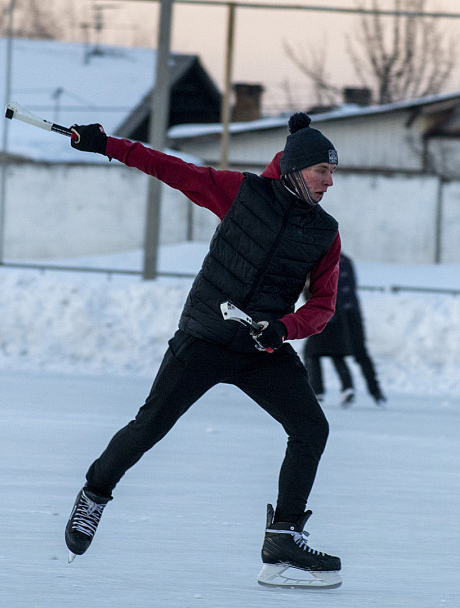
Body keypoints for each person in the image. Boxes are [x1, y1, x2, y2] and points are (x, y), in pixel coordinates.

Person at [63, 112, 343, 589]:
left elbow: (323, 305)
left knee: (310, 427)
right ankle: (94, 493)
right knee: (150, 425)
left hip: (261, 347)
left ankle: (283, 537)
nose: (330, 183)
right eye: (323, 171)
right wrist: (107, 145)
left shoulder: (324, 231)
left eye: (333, 173)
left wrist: (284, 327)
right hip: (206, 337)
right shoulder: (241, 192)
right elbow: (169, 168)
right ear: (297, 170)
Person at [304, 252, 385, 407]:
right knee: (350, 352)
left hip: (331, 314)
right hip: (351, 313)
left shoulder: (321, 261)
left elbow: (320, 290)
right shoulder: (345, 260)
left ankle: (319, 391)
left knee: (314, 352)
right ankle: (373, 392)